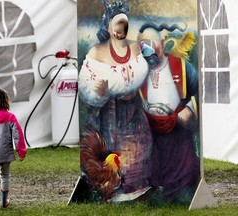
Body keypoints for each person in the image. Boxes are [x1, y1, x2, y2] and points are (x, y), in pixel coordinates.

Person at [78, 0, 153, 203]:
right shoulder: (96, 53)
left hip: (133, 111)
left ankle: (136, 190)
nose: (120, 32)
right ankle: (112, 191)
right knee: (111, 152)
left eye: (124, 28)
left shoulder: (136, 49)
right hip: (109, 113)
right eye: (117, 28)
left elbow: (144, 70)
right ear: (110, 28)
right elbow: (85, 86)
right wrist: (99, 91)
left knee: (138, 148)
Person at [138, 24, 200, 205]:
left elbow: (200, 91)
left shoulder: (181, 65)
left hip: (179, 136)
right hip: (152, 137)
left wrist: (190, 109)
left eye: (150, 43)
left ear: (162, 44)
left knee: (183, 181)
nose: (146, 49)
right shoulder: (139, 71)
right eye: (142, 45)